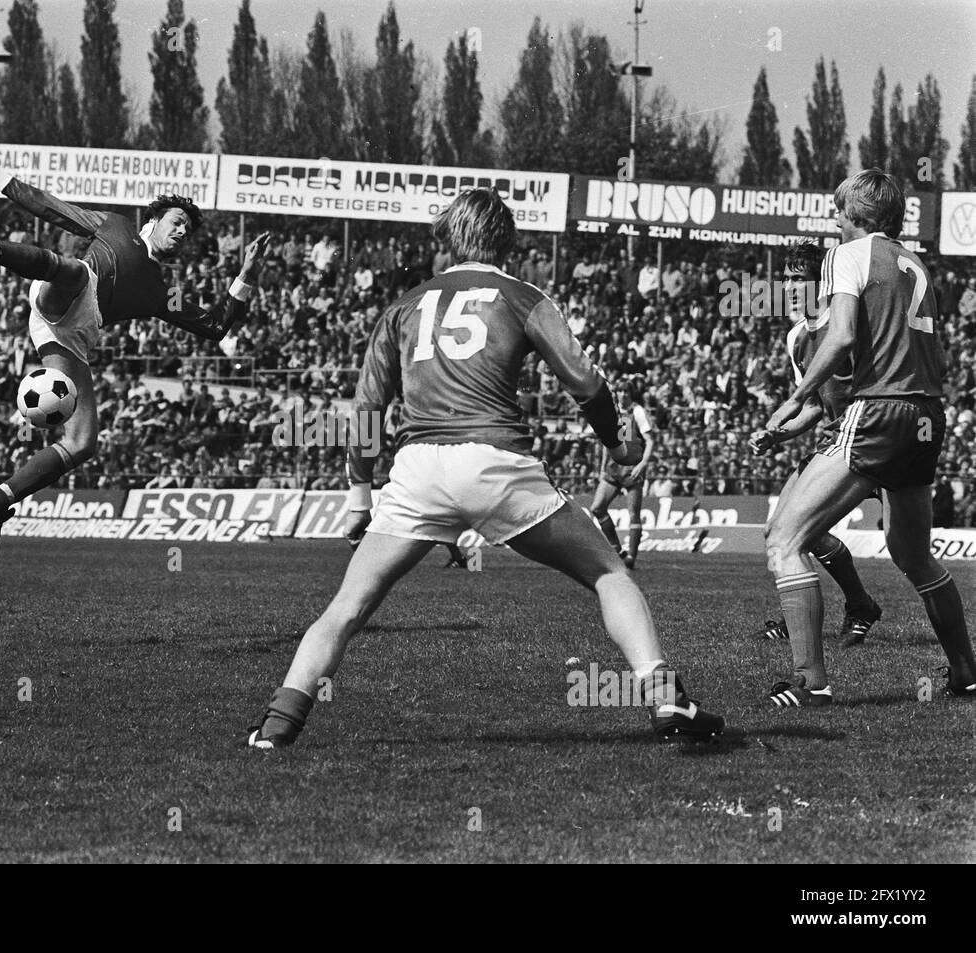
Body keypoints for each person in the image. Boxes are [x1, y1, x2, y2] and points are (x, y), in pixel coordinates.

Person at [245, 188, 724, 749]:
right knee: (609, 573)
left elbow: (368, 410)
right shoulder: (522, 296)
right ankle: (665, 696)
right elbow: (587, 382)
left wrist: (358, 497)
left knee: (347, 608)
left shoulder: (403, 304)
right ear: (507, 241)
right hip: (495, 461)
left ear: (448, 240)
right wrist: (618, 448)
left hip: (418, 468)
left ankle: (278, 726)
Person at [0, 155, 272, 562]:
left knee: (83, 443)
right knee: (79, 273)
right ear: (153, 221)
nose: (182, 231)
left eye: (187, 230)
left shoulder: (159, 290)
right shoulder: (116, 226)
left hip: (71, 336)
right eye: (177, 222)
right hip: (60, 292)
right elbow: (52, 207)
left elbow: (214, 325)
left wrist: (247, 275)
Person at [763, 170, 976, 706]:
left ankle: (811, 683)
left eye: (839, 212)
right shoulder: (914, 262)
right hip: (927, 415)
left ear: (857, 215)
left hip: (880, 410)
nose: (834, 222)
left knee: (785, 539)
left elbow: (841, 337)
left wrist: (792, 400)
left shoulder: (848, 255)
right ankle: (966, 672)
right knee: (913, 555)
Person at [749, 240, 881, 647]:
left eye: (799, 279)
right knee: (780, 530)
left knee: (909, 552)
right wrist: (778, 434)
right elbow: (813, 408)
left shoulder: (844, 327)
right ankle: (835, 608)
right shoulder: (795, 339)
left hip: (872, 441)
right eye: (785, 279)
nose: (789, 287)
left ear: (820, 282)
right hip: (832, 443)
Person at [588, 383, 655, 569]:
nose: (623, 394)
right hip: (613, 466)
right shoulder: (613, 411)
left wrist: (643, 464)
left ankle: (631, 557)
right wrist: (602, 467)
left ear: (631, 394)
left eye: (627, 391)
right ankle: (617, 551)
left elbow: (650, 441)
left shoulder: (638, 411)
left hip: (632, 467)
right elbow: (605, 442)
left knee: (634, 514)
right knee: (597, 507)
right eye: (621, 391)